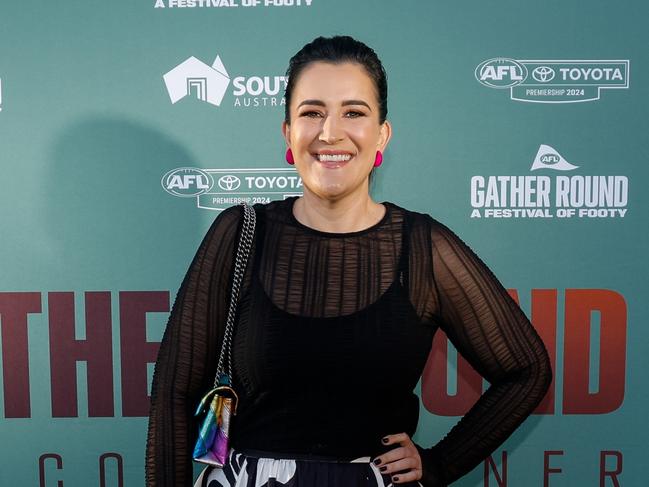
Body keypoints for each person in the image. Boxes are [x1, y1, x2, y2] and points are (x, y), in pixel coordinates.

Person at [146, 35, 552, 487]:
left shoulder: (423, 248)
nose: (330, 132)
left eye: (353, 113)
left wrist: (441, 463)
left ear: (382, 134)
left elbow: (526, 370)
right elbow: (174, 394)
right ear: (288, 132)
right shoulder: (240, 233)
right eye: (312, 112)